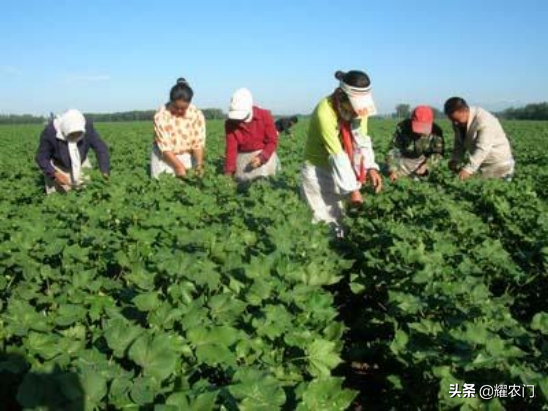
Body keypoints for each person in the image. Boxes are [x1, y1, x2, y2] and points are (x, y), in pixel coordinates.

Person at [301, 70, 382, 229]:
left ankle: (340, 247)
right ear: (341, 97)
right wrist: (353, 190)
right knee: (321, 220)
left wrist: (371, 167)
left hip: (344, 168)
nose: (355, 112)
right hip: (318, 169)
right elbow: (336, 153)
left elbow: (361, 141)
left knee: (340, 217)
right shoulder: (325, 111)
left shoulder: (360, 111)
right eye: (353, 107)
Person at [35, 109, 110, 194]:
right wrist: (54, 174)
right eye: (72, 134)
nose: (75, 137)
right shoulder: (51, 132)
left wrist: (104, 171)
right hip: (58, 166)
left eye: (78, 134)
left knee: (87, 193)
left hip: (81, 162)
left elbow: (101, 148)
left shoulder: (87, 126)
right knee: (58, 196)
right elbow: (41, 158)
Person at [444, 97, 515, 180]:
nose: (455, 123)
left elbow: (482, 148)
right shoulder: (457, 123)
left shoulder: (484, 120)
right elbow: (459, 143)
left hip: (499, 164)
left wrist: (468, 169)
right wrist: (456, 159)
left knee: (496, 189)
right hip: (482, 164)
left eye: (457, 120)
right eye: (452, 120)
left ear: (465, 111)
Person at [151, 78, 206, 179]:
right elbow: (165, 147)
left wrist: (198, 165)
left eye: (183, 108)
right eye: (176, 107)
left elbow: (198, 143)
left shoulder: (196, 114)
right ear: (171, 101)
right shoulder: (161, 115)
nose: (179, 111)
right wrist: (178, 166)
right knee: (163, 186)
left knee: (187, 188)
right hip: (165, 157)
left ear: (189, 103)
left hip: (187, 155)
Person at [224, 88, 279, 182]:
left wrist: (261, 158)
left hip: (264, 153)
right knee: (241, 182)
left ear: (249, 108)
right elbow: (231, 149)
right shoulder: (230, 123)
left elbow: (272, 141)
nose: (238, 119)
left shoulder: (265, 116)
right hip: (242, 155)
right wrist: (228, 172)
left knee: (265, 181)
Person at [386, 106, 444, 181]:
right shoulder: (403, 127)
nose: (420, 132)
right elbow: (393, 150)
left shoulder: (436, 131)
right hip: (404, 159)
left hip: (423, 161)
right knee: (388, 172)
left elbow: (438, 153)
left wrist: (427, 165)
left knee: (432, 177)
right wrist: (393, 170)